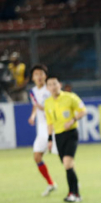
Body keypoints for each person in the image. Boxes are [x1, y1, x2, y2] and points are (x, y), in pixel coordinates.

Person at [44, 75, 86, 202]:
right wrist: (50, 139)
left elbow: (83, 111)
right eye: (50, 85)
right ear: (47, 88)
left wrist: (73, 120)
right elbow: (50, 123)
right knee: (68, 165)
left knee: (67, 163)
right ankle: (76, 193)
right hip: (58, 136)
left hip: (71, 133)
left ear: (59, 85)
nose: (53, 87)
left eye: (55, 84)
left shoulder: (70, 97)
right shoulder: (48, 103)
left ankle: (72, 194)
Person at [28, 64, 57, 196]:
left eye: (41, 74)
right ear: (33, 78)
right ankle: (51, 183)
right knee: (37, 157)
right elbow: (35, 106)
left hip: (54, 126)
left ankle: (73, 181)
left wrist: (47, 111)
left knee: (64, 157)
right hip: (41, 129)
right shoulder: (33, 92)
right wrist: (33, 116)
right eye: (36, 74)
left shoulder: (50, 89)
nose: (39, 76)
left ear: (45, 76)